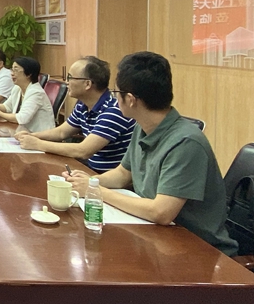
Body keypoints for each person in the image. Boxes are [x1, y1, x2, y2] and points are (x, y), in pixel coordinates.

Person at [66, 52, 236, 252]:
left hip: (198, 249)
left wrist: (97, 192)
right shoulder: (143, 126)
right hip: (157, 238)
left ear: (130, 99)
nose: (114, 98)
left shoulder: (186, 142)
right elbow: (123, 174)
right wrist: (89, 182)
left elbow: (161, 212)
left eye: (116, 92)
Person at [15, 56, 135, 172]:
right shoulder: (82, 105)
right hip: (89, 169)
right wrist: (32, 136)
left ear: (87, 84)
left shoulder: (113, 111)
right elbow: (61, 132)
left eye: (70, 77)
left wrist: (38, 144)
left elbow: (83, 151)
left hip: (106, 176)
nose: (67, 82)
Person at [0, 57, 55, 133]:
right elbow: (8, 106)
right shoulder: (17, 88)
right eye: (12, 69)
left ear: (28, 74)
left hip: (40, 136)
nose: (12, 73)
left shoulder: (36, 92)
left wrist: (0, 114)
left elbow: (22, 118)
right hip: (23, 132)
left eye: (16, 70)